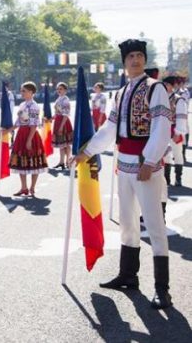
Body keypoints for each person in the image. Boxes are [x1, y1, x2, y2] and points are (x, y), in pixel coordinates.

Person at [72, 39, 173, 309]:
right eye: (131, 57)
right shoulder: (120, 92)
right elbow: (109, 128)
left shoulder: (155, 88)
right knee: (127, 221)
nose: (135, 60)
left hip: (144, 164)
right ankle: (129, 275)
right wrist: (88, 151)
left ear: (144, 59)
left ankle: (162, 289)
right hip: (125, 163)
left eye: (140, 55)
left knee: (153, 224)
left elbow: (162, 126)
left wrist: (150, 161)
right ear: (124, 62)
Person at [6, 82, 48, 197]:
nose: (22, 93)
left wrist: (29, 140)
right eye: (21, 90)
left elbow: (34, 124)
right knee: (20, 161)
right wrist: (8, 130)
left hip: (31, 134)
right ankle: (23, 187)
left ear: (31, 92)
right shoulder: (22, 105)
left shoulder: (34, 106)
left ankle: (32, 187)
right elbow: (18, 121)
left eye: (24, 91)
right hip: (21, 134)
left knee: (34, 161)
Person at [162, 75, 186, 187]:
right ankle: (167, 179)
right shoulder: (161, 99)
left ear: (172, 86)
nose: (164, 86)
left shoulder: (178, 99)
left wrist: (178, 132)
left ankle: (178, 178)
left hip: (174, 129)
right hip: (163, 131)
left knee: (177, 154)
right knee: (165, 154)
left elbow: (181, 117)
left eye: (166, 84)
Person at [52, 82, 73, 170]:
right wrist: (51, 118)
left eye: (60, 89)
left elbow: (65, 114)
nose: (58, 90)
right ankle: (61, 162)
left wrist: (61, 126)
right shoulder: (59, 99)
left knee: (66, 144)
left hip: (63, 122)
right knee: (61, 144)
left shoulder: (65, 100)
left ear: (65, 90)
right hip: (58, 121)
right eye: (57, 89)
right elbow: (57, 112)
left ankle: (68, 161)